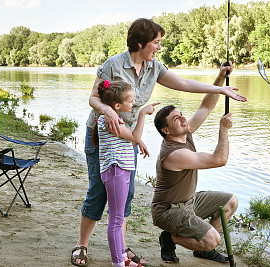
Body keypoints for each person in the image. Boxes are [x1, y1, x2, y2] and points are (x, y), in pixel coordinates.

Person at [72, 17, 246, 266]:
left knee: (127, 194)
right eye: (156, 42)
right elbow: (93, 98)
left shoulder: (155, 68)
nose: (159, 47)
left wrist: (220, 87)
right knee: (98, 192)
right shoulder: (113, 65)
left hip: (129, 138)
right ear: (140, 43)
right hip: (103, 138)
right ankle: (82, 245)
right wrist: (107, 110)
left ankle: (120, 247)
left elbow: (185, 84)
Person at [151, 64, 238, 264]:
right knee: (212, 240)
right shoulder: (174, 154)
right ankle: (169, 238)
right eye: (176, 118)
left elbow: (206, 106)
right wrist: (223, 130)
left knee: (230, 202)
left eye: (181, 114)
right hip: (168, 211)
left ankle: (202, 250)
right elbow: (219, 160)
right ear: (166, 130)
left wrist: (220, 79)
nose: (183, 118)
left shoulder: (184, 134)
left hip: (188, 202)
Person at [91, 79, 156, 267]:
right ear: (117, 105)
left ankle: (122, 257)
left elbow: (130, 139)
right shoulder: (110, 121)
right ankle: (118, 262)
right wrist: (143, 113)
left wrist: (139, 142)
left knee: (118, 219)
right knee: (116, 219)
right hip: (116, 170)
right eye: (131, 100)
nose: (134, 103)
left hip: (120, 170)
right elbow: (134, 137)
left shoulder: (114, 119)